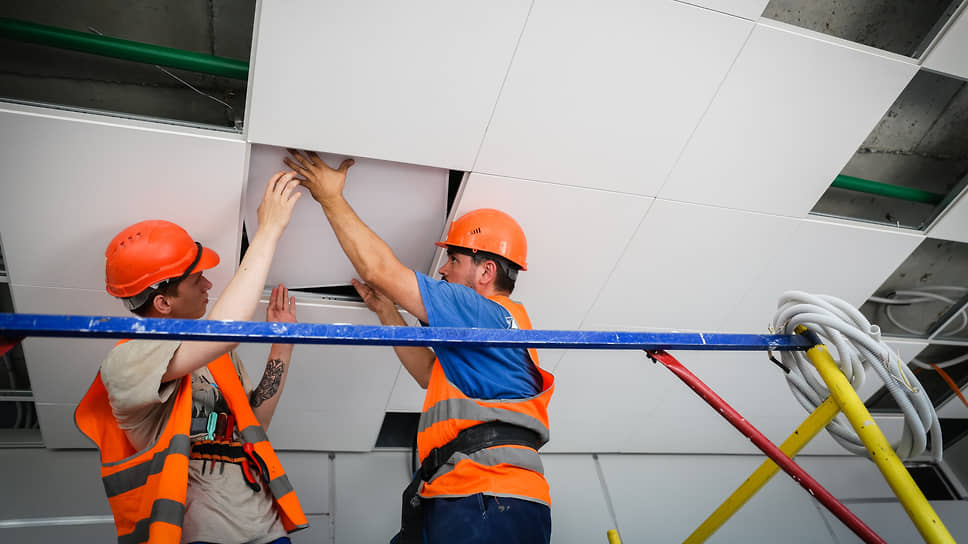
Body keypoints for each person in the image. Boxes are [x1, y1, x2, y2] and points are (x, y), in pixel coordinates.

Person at [283, 150, 554, 544]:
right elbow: (430, 374)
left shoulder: (482, 313)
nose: (442, 269)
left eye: (454, 259)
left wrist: (330, 197)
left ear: (486, 271)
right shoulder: (490, 334)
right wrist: (386, 311)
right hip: (471, 493)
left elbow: (380, 270)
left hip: (487, 494)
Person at [75, 172, 309, 544]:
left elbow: (255, 424)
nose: (209, 284)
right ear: (163, 303)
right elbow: (226, 331)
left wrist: (282, 345)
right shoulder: (124, 364)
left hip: (267, 529)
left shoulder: (217, 359)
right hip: (202, 535)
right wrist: (268, 231)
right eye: (197, 279)